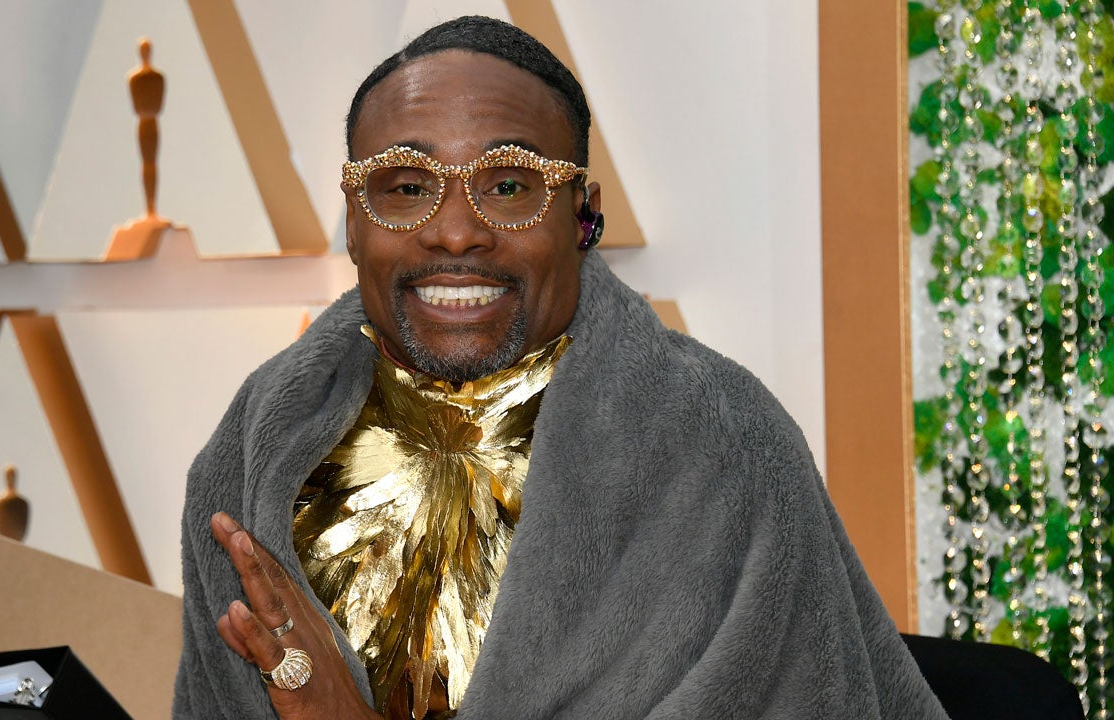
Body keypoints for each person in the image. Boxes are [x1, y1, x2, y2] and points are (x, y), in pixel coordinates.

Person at [174, 15, 949, 720]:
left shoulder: (725, 455)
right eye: (406, 188)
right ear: (352, 221)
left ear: (583, 215)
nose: (453, 233)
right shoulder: (252, 456)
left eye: (508, 185)